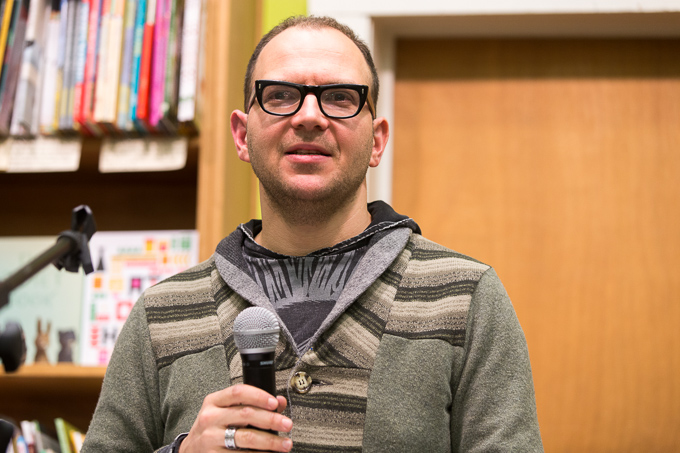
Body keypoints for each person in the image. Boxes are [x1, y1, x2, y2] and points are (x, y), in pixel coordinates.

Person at [82, 15, 543, 453]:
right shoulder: (159, 315)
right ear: (242, 136)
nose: (308, 116)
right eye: (280, 95)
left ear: (377, 140)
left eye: (340, 97)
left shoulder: (466, 298)